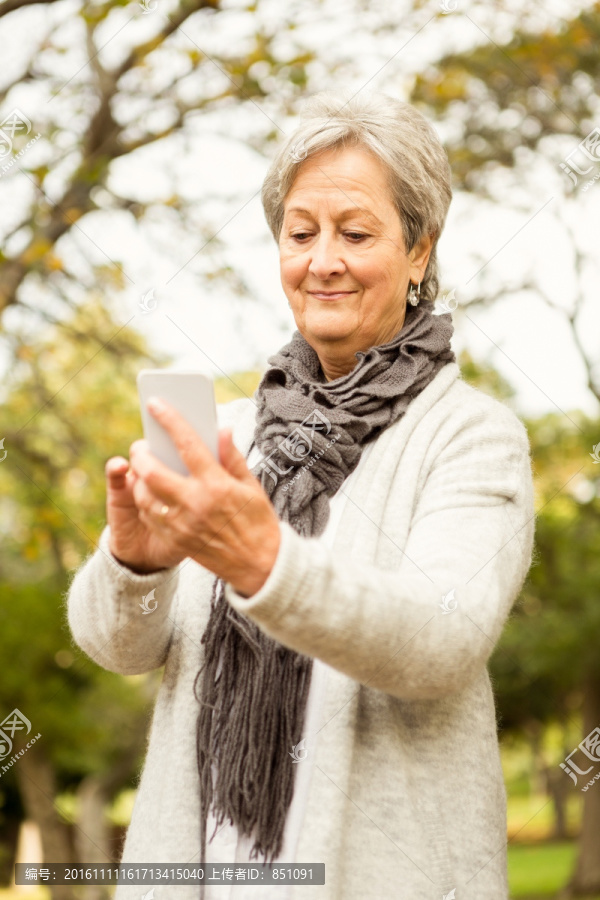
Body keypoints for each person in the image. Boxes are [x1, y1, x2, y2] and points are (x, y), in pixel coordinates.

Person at [66, 89, 535, 900]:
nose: (324, 260)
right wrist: (136, 568)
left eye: (356, 234)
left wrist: (265, 564)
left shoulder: (471, 435)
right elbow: (122, 650)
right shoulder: (236, 431)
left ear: (419, 250)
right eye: (300, 233)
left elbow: (441, 637)